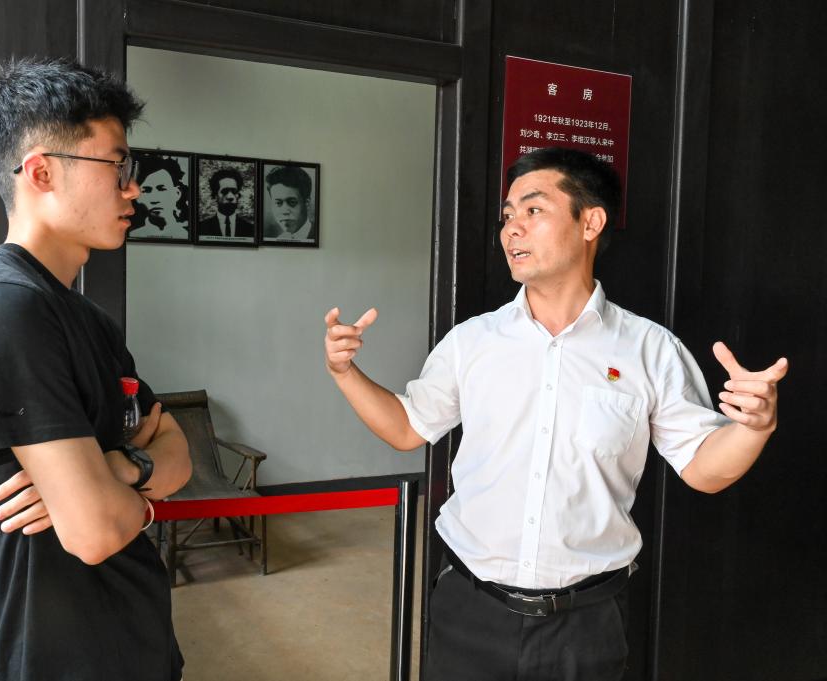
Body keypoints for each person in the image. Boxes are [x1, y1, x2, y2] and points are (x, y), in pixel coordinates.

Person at [323, 146, 787, 680]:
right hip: (470, 610)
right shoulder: (472, 342)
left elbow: (704, 468)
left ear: (590, 223)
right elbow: (407, 428)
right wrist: (344, 372)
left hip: (586, 625)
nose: (511, 229)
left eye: (533, 210)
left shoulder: (649, 350)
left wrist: (754, 427)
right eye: (507, 216)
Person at [0, 57, 191, 681]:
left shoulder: (88, 319)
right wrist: (137, 496)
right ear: (42, 171)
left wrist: (120, 469)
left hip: (136, 644)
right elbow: (93, 532)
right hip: (58, 659)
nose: (133, 188)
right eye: (117, 167)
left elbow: (179, 454)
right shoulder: (0, 309)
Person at [129, 154, 190, 240]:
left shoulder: (185, 234)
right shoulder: (134, 234)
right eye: (146, 191)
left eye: (162, 189)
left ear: (177, 193)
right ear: (138, 197)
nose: (155, 200)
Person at [197, 166, 255, 238]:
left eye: (234, 191)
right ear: (215, 195)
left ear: (238, 195)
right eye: (224, 191)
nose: (230, 196)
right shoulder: (201, 228)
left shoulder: (251, 229)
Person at [263, 165, 315, 241]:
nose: (285, 211)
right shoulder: (279, 239)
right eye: (278, 203)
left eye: (292, 202)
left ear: (307, 203)